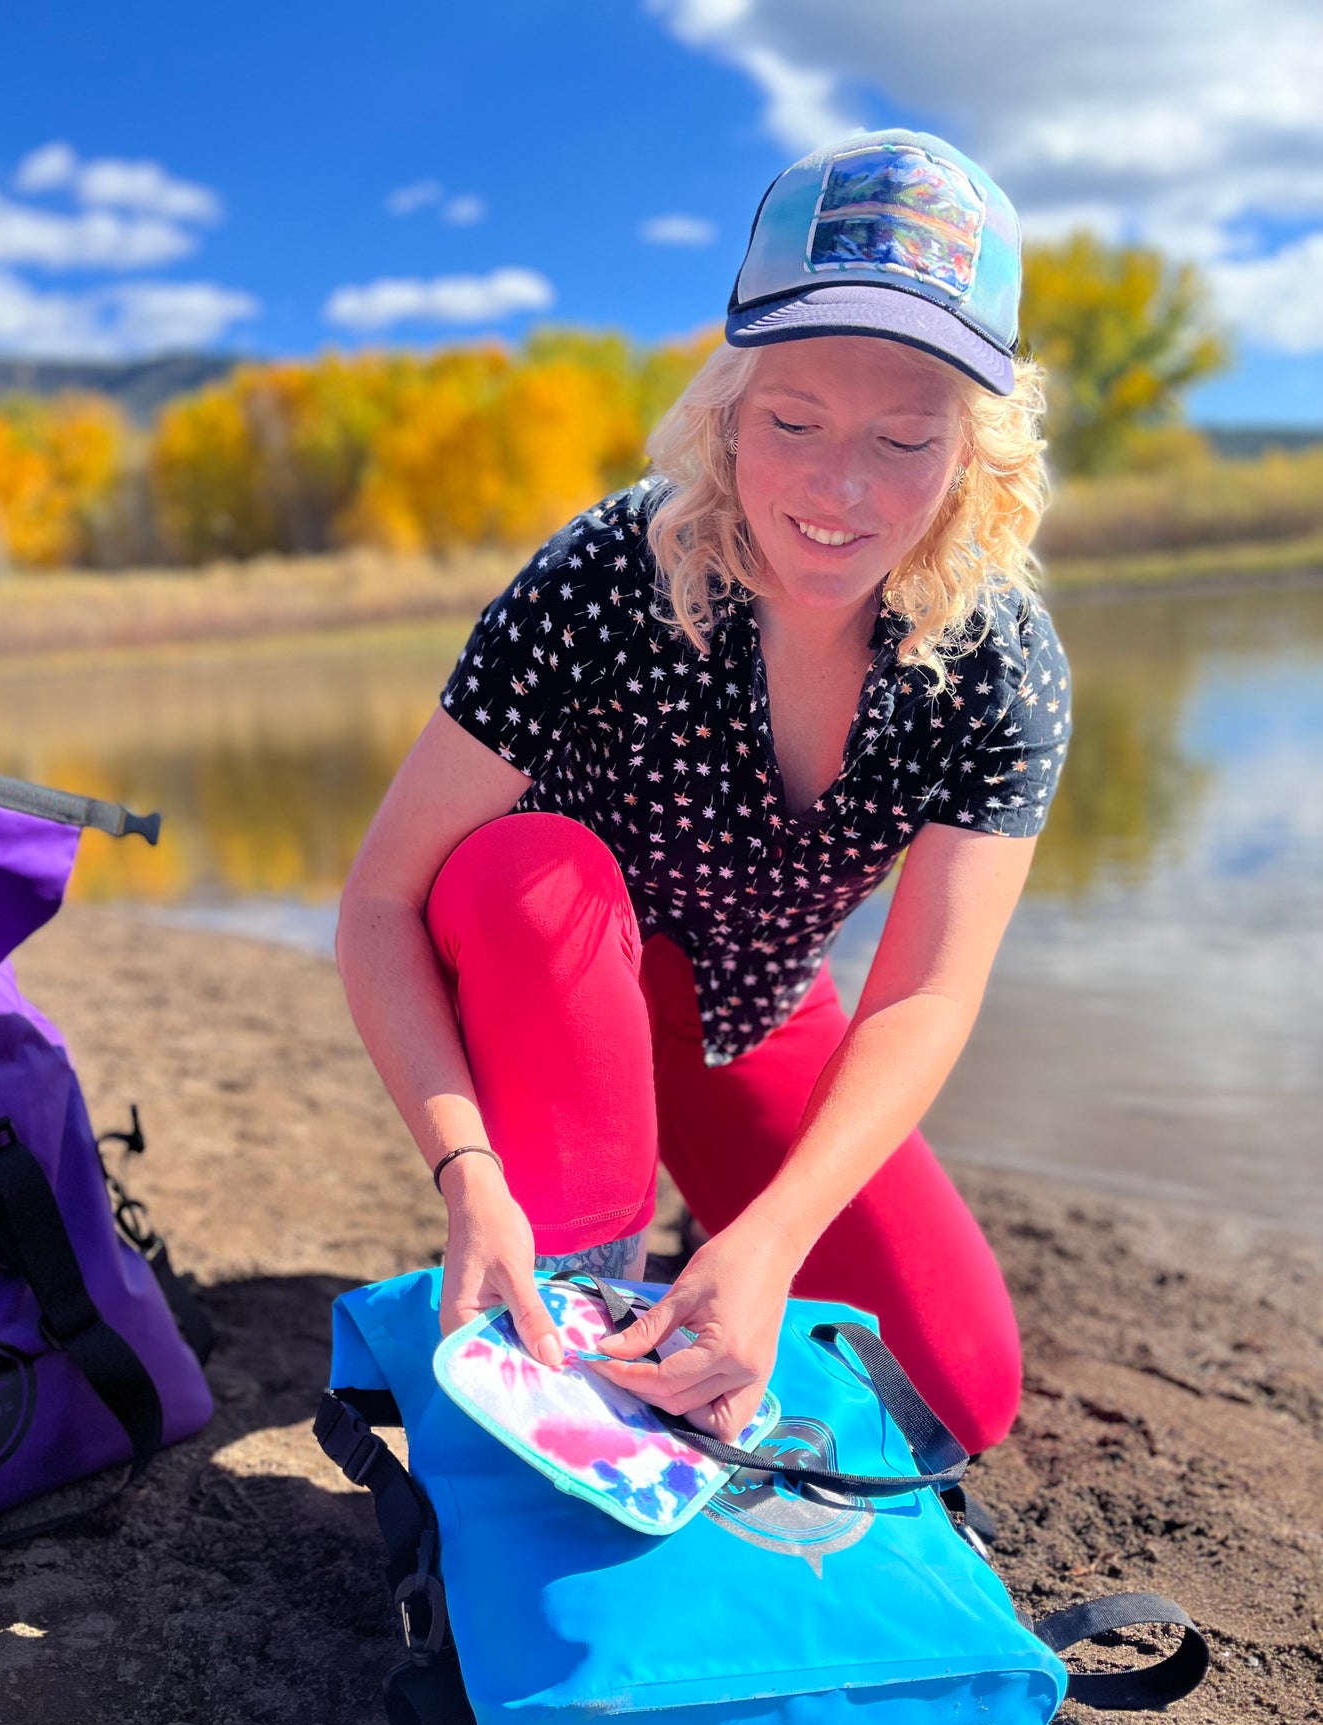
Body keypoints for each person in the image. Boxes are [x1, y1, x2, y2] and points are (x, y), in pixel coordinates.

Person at [336, 129, 1070, 1455]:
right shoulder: (608, 576)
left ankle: (689, 1239)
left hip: (755, 1023)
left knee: (954, 1401)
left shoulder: (999, 661)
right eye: (791, 421)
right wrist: (470, 1177)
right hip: (549, 996)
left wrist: (771, 1239)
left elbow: (922, 992)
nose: (836, 490)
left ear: (975, 450)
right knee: (526, 871)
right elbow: (383, 902)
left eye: (903, 440)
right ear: (726, 408)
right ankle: (573, 1243)